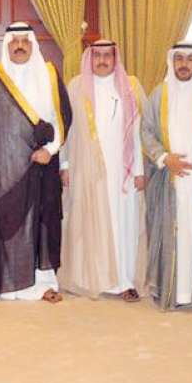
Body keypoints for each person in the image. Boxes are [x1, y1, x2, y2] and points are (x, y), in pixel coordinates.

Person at [0, 23, 72, 303]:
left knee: (42, 225)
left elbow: (63, 117)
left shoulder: (49, 74)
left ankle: (45, 285)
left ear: (32, 44)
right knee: (0, 223)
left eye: (24, 40)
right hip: (1, 170)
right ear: (6, 44)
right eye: (14, 40)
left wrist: (50, 150)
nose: (19, 45)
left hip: (40, 167)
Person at [59, 40, 146, 301]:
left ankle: (125, 281)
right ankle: (94, 279)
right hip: (85, 169)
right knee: (89, 224)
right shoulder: (76, 86)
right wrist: (65, 164)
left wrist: (139, 170)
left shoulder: (131, 86)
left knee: (124, 224)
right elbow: (65, 129)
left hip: (123, 172)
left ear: (115, 58)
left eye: (108, 55)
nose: (102, 60)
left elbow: (140, 132)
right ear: (90, 57)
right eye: (97, 55)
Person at [142, 41, 192, 312]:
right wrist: (166, 159)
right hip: (170, 178)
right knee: (173, 233)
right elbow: (146, 131)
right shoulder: (160, 93)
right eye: (179, 58)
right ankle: (175, 293)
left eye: (190, 58)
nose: (184, 64)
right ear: (172, 61)